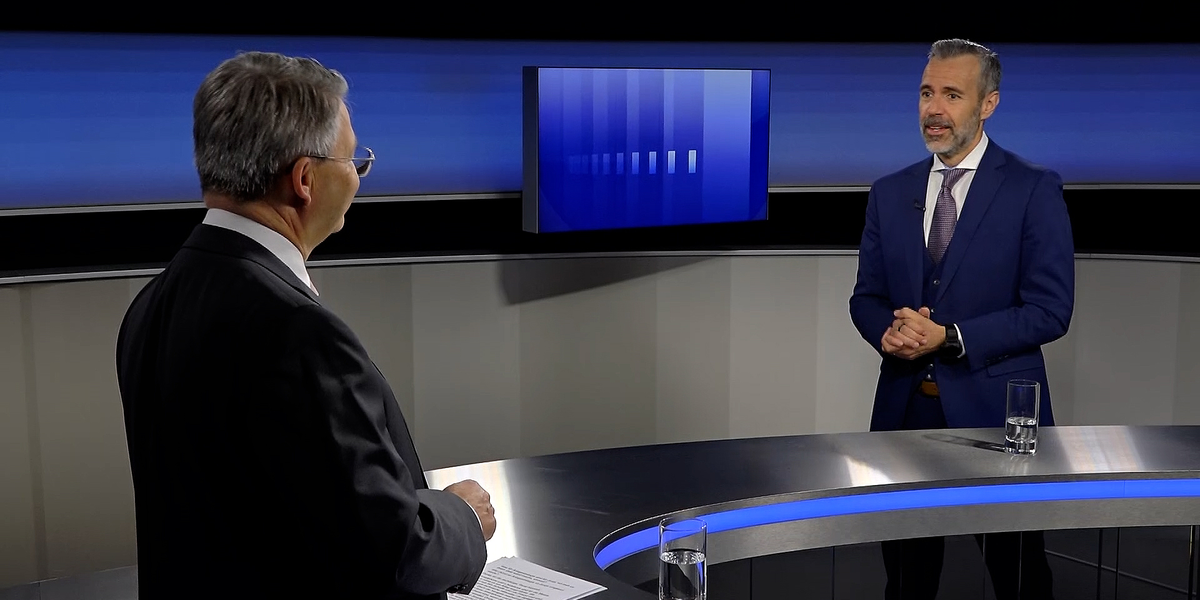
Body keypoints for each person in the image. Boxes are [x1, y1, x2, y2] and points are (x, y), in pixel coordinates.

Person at [116, 51, 495, 600]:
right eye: (354, 161)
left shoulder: (149, 307)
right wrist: (462, 517)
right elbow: (391, 551)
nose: (358, 178)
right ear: (305, 179)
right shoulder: (299, 333)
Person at [849, 39, 1074, 599]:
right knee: (907, 578)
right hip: (906, 412)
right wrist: (888, 333)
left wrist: (951, 338)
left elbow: (1050, 310)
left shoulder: (1032, 188)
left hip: (997, 418)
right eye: (926, 93)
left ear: (988, 104)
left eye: (952, 95)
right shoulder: (889, 193)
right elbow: (866, 297)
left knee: (1019, 577)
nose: (934, 109)